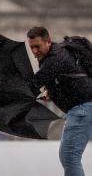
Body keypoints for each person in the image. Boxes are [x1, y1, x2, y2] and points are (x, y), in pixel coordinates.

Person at [27, 27, 92, 176]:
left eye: (38, 46)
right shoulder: (58, 54)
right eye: (31, 47)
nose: (35, 51)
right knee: (69, 157)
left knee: (70, 157)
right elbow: (72, 76)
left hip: (82, 109)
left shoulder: (54, 59)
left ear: (48, 41)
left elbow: (32, 84)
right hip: (82, 108)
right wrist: (52, 92)